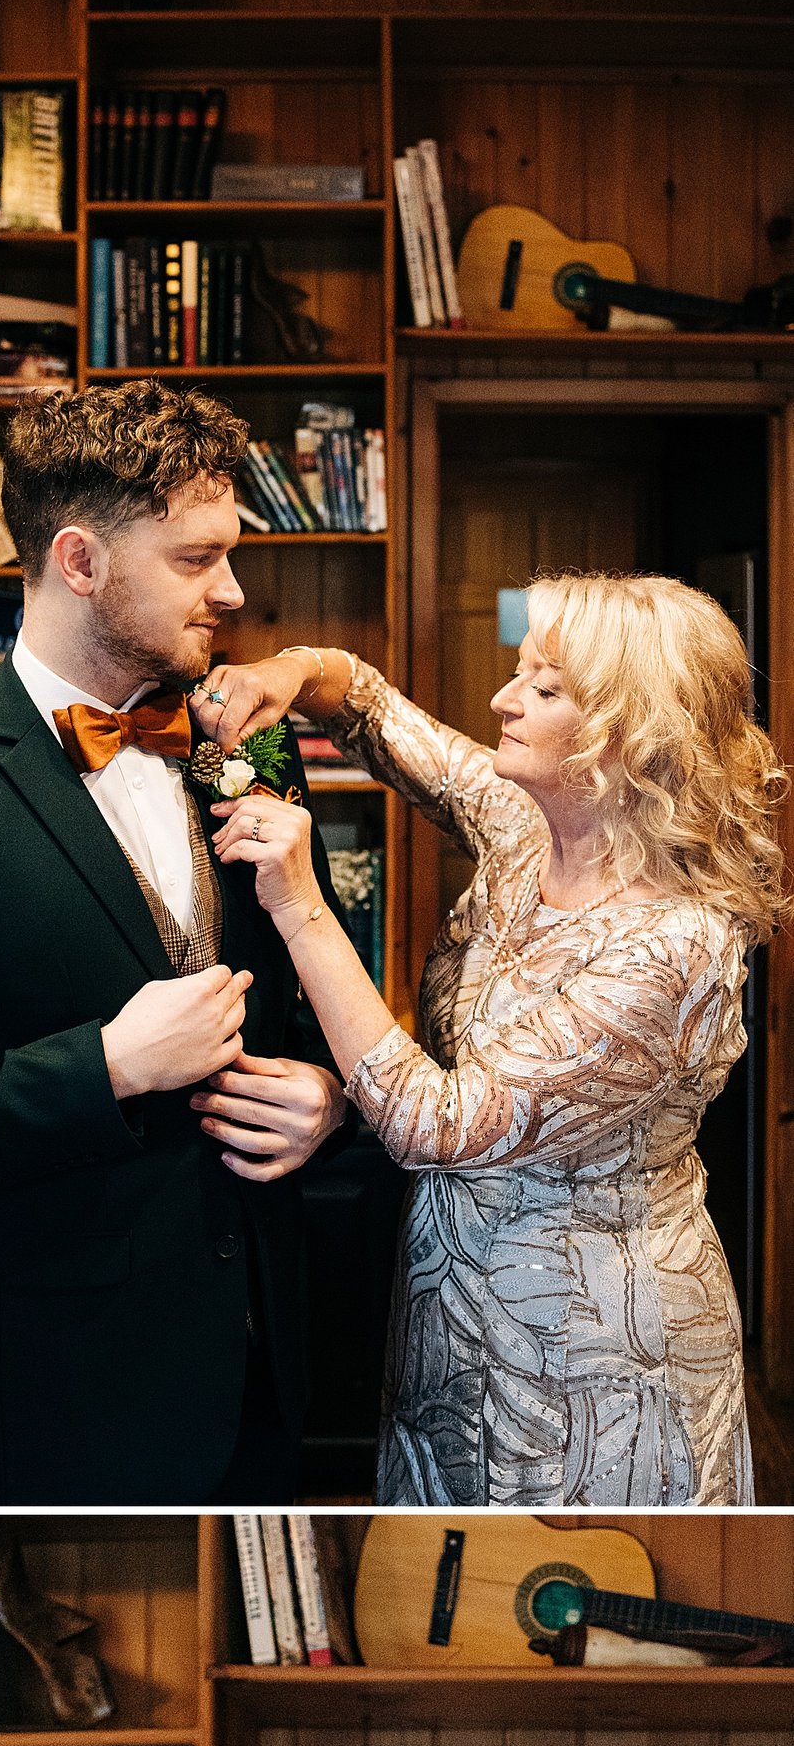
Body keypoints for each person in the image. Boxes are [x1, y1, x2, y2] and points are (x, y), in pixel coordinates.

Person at [0, 379, 350, 1506]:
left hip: (263, 1370)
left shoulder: (242, 745)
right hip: (58, 1399)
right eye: (197, 559)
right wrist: (101, 1068)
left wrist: (329, 1096)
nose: (234, 591)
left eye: (230, 555)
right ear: (79, 559)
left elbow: (317, 1005)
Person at [195, 574, 786, 1503]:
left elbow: (437, 1125)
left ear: (628, 732)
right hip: (448, 1308)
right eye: (521, 673)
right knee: (437, 1601)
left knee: (574, 1607)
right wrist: (291, 671)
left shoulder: (670, 948)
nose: (504, 700)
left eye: (544, 689)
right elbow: (376, 713)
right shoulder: (529, 826)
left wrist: (299, 901)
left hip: (597, 1356)